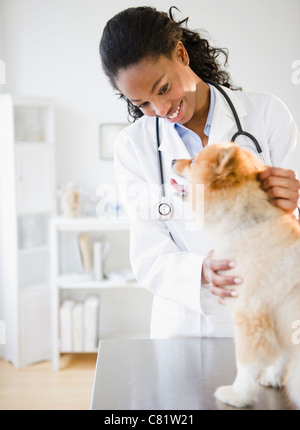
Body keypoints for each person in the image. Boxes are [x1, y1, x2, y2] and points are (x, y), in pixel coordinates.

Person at [99, 6, 300, 338]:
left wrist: (292, 203)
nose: (162, 110)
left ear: (180, 53)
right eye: (142, 104)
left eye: (163, 89)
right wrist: (202, 271)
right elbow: (149, 257)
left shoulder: (266, 115)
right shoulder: (133, 148)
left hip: (271, 312)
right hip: (185, 328)